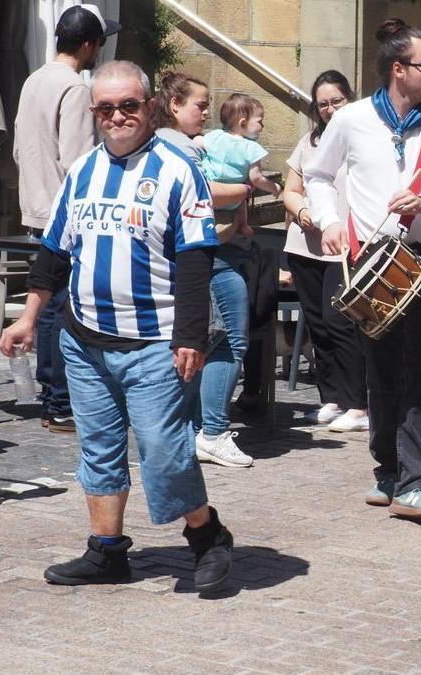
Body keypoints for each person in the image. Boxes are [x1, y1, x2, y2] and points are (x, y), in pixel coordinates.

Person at [0, 60, 234, 592]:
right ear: (94, 112)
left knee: (164, 452)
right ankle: (107, 552)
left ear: (149, 107)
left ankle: (207, 536)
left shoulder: (177, 169)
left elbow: (197, 261)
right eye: (105, 108)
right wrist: (29, 319)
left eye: (128, 105)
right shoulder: (82, 171)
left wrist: (191, 337)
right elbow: (54, 253)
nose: (117, 116)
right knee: (99, 448)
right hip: (85, 341)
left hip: (155, 342)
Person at [306, 18, 421, 523]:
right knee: (380, 370)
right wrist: (330, 220)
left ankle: (417, 482)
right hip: (373, 261)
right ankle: (387, 468)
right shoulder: (353, 119)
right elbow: (316, 174)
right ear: (399, 69)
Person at [12, 4, 117, 433]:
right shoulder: (74, 87)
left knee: (50, 303)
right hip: (64, 213)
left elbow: (20, 149)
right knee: (59, 307)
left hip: (34, 205)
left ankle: (51, 398)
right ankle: (58, 402)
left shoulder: (34, 80)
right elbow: (77, 160)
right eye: (101, 44)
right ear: (89, 44)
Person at [150, 73, 255, 469]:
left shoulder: (163, 142)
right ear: (175, 104)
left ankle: (197, 428)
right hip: (212, 254)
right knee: (229, 340)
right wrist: (248, 188)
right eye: (200, 104)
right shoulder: (182, 148)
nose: (207, 112)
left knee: (203, 340)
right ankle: (212, 431)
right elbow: (204, 195)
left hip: (197, 255)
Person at [281, 70, 369, 433]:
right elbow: (290, 189)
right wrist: (303, 213)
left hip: (345, 246)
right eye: (323, 104)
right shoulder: (310, 141)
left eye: (337, 101)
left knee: (340, 322)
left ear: (350, 99)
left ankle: (358, 403)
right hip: (306, 244)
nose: (330, 109)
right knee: (317, 324)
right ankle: (331, 398)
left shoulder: (365, 139)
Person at [200, 93, 283, 212]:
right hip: (232, 199)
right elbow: (256, 178)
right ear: (243, 123)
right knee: (245, 189)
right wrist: (274, 187)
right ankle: (243, 223)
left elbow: (197, 142)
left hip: (209, 192)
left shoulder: (216, 135)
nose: (263, 126)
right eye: (260, 121)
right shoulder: (252, 148)